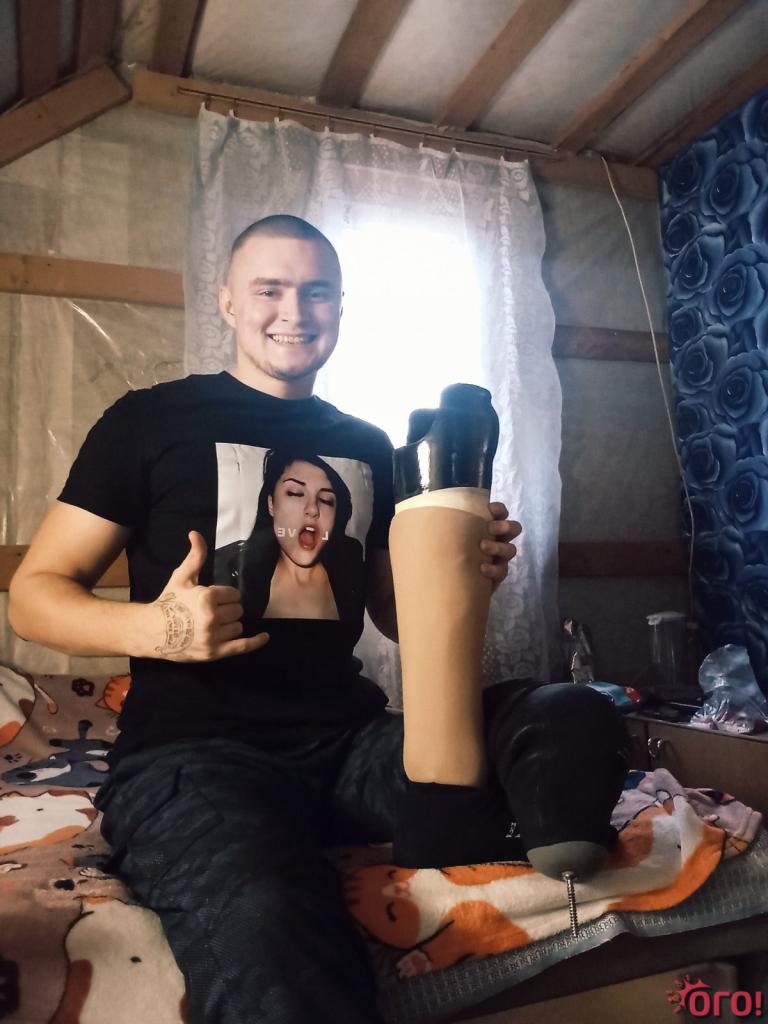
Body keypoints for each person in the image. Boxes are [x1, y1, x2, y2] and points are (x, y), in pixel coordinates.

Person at [8, 215, 628, 1024]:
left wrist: (463, 572)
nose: (294, 312)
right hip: (195, 758)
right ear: (228, 300)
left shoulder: (365, 444)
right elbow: (35, 593)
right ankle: (457, 825)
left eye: (317, 292)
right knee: (268, 915)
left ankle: (459, 825)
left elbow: (396, 616)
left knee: (572, 713)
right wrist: (155, 630)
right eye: (270, 289)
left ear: (340, 305)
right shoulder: (150, 422)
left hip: (351, 744)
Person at [213, 449, 365, 626]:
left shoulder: (351, 563)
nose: (313, 509)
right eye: (295, 493)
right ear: (271, 504)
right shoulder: (229, 566)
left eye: (326, 500)